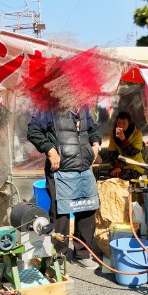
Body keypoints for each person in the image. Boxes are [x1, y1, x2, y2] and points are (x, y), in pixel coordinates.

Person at [27, 106, 101, 269]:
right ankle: (58, 254)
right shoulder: (48, 107)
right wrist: (50, 150)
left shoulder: (83, 108)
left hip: (84, 168)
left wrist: (95, 145)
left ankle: (82, 253)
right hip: (60, 170)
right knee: (61, 213)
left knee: (87, 210)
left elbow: (93, 128)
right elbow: (33, 130)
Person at [107, 111, 146, 181]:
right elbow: (112, 153)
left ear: (129, 124)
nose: (121, 125)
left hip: (135, 166)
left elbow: (132, 153)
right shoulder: (113, 134)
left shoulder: (137, 134)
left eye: (124, 123)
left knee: (123, 176)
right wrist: (117, 166)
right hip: (121, 165)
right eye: (119, 123)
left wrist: (123, 139)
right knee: (112, 174)